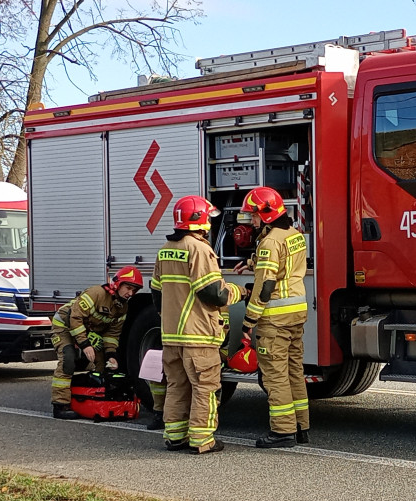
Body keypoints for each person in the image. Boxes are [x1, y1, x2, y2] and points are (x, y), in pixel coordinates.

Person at [152, 195, 243, 453]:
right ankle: (202, 440)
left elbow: (157, 292)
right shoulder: (200, 249)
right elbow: (214, 293)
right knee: (205, 388)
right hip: (198, 335)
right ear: (199, 220)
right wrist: (239, 292)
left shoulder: (165, 250)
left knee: (177, 385)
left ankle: (175, 436)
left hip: (171, 336)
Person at [240, 186, 309, 448]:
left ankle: (282, 431)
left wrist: (249, 320)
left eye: (254, 215)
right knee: (294, 372)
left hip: (275, 319)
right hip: (296, 315)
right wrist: (251, 262)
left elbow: (266, 285)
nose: (252, 220)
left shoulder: (269, 242)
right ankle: (301, 426)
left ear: (266, 213)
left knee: (275, 376)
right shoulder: (294, 234)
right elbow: (283, 264)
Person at [50, 265, 143, 420]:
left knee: (102, 362)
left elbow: (112, 334)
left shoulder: (123, 307)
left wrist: (111, 355)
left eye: (134, 290)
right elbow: (75, 317)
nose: (130, 293)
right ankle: (60, 405)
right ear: (117, 284)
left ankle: (95, 399)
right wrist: (85, 344)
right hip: (64, 326)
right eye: (128, 288)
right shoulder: (96, 293)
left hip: (85, 330)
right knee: (68, 360)